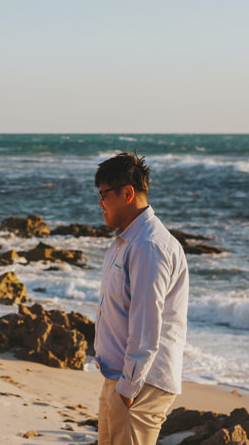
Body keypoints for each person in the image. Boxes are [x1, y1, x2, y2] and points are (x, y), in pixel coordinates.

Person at [92, 152, 189, 445]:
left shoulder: (149, 246)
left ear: (128, 193)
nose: (100, 203)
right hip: (121, 377)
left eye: (103, 194)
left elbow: (147, 325)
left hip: (140, 384)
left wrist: (128, 388)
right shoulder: (127, 240)